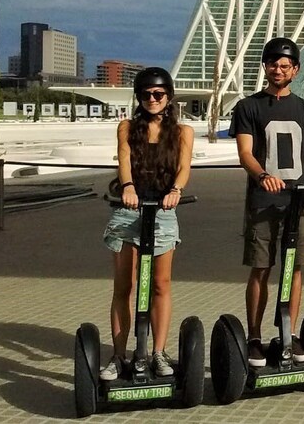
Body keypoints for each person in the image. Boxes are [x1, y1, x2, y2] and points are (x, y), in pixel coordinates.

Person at [229, 37, 304, 367]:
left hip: (299, 201)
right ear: (265, 67)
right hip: (264, 201)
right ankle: (253, 337)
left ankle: (289, 333)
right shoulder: (249, 107)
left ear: (295, 70)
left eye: (285, 65)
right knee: (261, 268)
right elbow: (245, 154)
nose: (278, 70)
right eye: (273, 64)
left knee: (293, 270)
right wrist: (263, 175)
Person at [99, 67, 194, 380]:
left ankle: (157, 352)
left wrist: (176, 191)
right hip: (130, 211)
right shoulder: (126, 127)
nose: (152, 99)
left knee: (160, 284)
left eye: (158, 94)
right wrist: (127, 187)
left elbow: (183, 168)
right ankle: (118, 355)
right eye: (146, 94)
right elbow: (123, 160)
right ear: (138, 98)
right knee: (124, 285)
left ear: (168, 97)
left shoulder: (183, 133)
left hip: (163, 212)